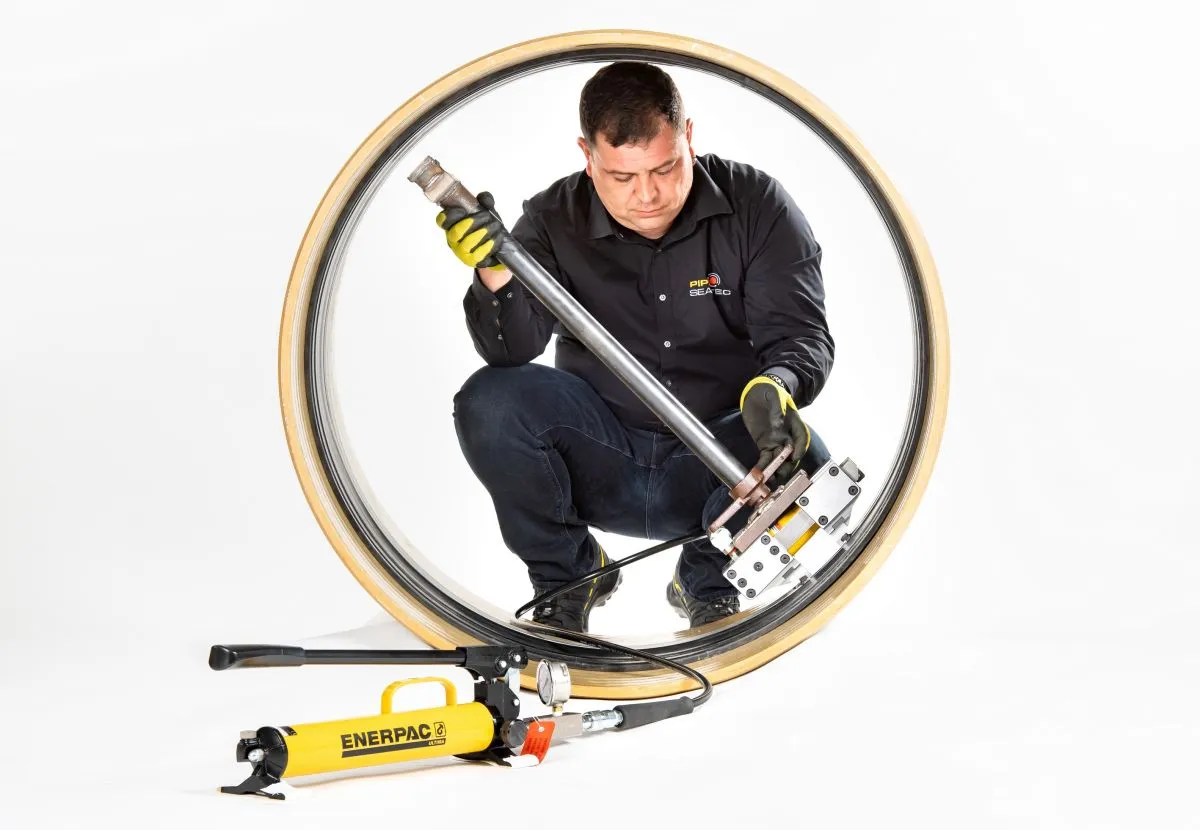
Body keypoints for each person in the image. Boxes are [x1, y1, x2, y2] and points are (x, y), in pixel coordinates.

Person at [434, 61, 834, 633]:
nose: (647, 195)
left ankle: (708, 582)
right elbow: (511, 351)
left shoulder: (757, 205)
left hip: (715, 470)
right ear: (587, 155)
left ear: (688, 136)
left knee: (803, 459)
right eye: (622, 177)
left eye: (665, 168)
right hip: (601, 460)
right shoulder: (551, 219)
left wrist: (777, 387)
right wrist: (494, 272)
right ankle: (570, 577)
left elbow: (800, 336)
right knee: (491, 400)